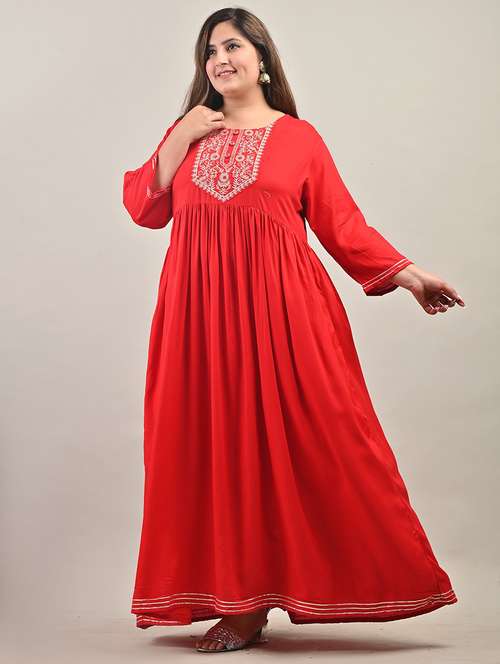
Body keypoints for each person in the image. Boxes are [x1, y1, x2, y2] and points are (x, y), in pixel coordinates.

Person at [122, 7, 463, 654]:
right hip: (198, 319)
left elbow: (343, 224)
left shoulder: (299, 138)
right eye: (209, 51)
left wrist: (410, 275)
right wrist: (180, 136)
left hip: (283, 317)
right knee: (212, 448)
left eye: (232, 46)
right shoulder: (187, 132)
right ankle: (241, 605)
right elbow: (144, 207)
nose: (220, 60)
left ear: (262, 58)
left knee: (318, 445)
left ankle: (351, 582)